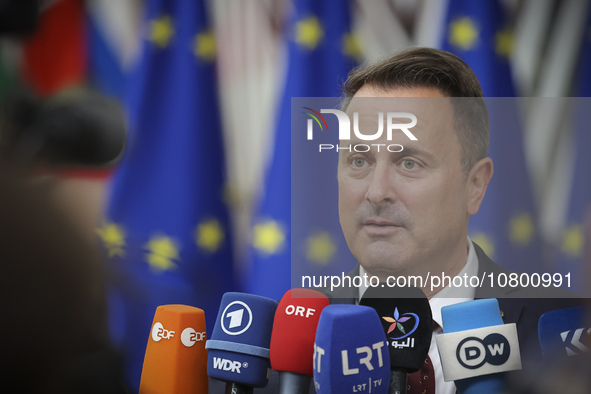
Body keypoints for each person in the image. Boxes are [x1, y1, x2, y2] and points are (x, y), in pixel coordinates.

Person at [324, 47, 587, 394]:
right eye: (359, 160)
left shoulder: (570, 333)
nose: (376, 192)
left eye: (409, 163)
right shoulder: (278, 350)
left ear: (474, 185)